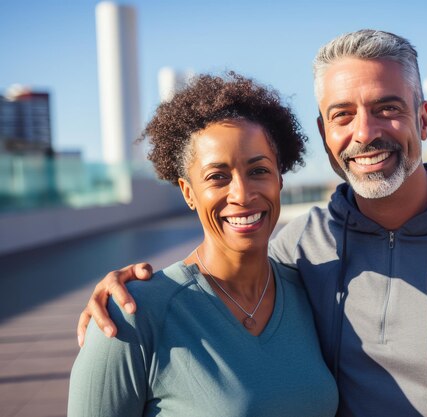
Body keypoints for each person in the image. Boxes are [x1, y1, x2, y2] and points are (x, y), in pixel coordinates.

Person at [77, 30, 427, 416]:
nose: (364, 132)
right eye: (343, 114)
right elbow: (207, 280)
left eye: (387, 107)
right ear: (323, 133)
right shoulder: (299, 251)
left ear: (424, 117)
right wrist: (123, 297)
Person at [67, 72, 339, 417]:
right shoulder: (131, 316)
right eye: (217, 177)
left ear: (279, 180)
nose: (241, 194)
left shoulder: (310, 293)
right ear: (188, 192)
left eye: (258, 171)